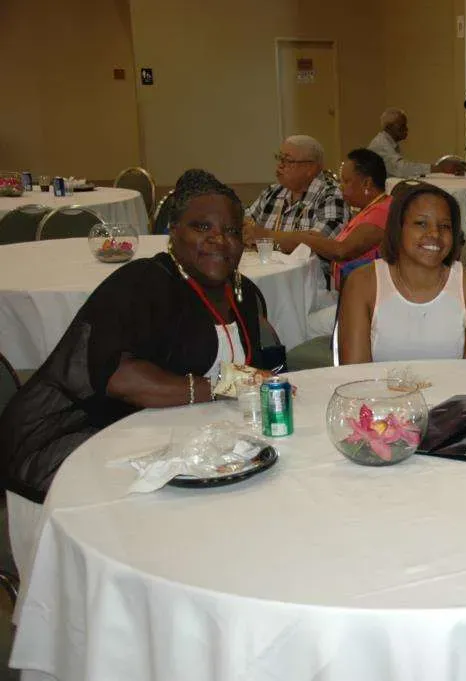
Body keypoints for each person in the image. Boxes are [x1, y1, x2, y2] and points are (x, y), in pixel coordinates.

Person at [0, 169, 279, 573]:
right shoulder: (143, 283)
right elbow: (121, 378)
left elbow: (251, 370)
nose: (220, 239)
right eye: (202, 227)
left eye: (232, 230)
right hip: (84, 433)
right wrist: (217, 387)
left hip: (181, 437)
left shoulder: (243, 293)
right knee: (160, 543)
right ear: (173, 232)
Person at [341, 183, 466, 363]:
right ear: (398, 228)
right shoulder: (363, 284)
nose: (435, 233)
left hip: (454, 391)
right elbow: (355, 377)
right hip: (378, 391)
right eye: (421, 223)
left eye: (445, 226)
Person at [246, 148, 391, 289]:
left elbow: (341, 251)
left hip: (369, 293)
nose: (340, 187)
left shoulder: (381, 211)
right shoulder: (369, 209)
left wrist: (303, 238)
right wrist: (310, 237)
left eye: (346, 181)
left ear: (367, 183)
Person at [246, 135, 346, 236]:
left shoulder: (331, 195)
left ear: (310, 168)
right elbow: (243, 224)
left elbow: (320, 242)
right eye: (280, 158)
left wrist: (264, 236)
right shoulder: (273, 192)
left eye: (288, 161)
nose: (280, 165)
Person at [368, 108, 466, 178]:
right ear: (389, 127)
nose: (406, 129)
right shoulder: (381, 144)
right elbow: (401, 169)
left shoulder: (389, 142)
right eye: (402, 126)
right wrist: (438, 168)